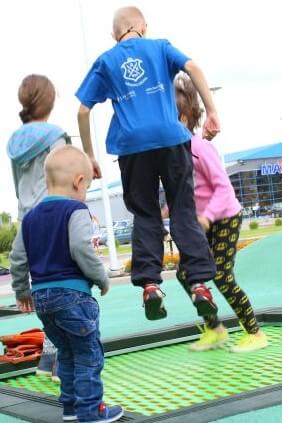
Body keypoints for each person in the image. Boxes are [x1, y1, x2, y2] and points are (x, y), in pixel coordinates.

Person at [76, 6, 219, 321]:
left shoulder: (107, 60)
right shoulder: (160, 46)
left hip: (132, 147)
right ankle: (198, 284)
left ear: (115, 33)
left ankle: (151, 285)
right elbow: (192, 66)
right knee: (181, 207)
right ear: (142, 26)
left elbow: (84, 111)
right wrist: (212, 110)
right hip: (170, 138)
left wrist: (88, 155)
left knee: (145, 213)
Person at [9, 145, 124, 422]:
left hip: (43, 301)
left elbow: (17, 258)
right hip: (73, 295)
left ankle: (71, 408)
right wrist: (101, 277)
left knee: (67, 353)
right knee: (88, 354)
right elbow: (81, 249)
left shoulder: (30, 218)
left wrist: (22, 291)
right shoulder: (76, 209)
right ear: (78, 181)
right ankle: (90, 411)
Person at [173, 75, 268, 352]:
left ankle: (255, 332)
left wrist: (207, 216)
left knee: (222, 275)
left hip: (224, 216)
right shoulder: (174, 154)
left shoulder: (201, 149)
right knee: (184, 273)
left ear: (181, 119)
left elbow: (224, 190)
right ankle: (215, 328)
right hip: (201, 222)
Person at [7, 74, 71, 382]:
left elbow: (17, 186)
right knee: (65, 288)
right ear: (50, 101)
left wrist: (21, 289)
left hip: (27, 215)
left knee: (44, 289)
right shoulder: (56, 135)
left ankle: (47, 360)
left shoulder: (16, 140)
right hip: (54, 215)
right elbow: (64, 173)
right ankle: (62, 363)